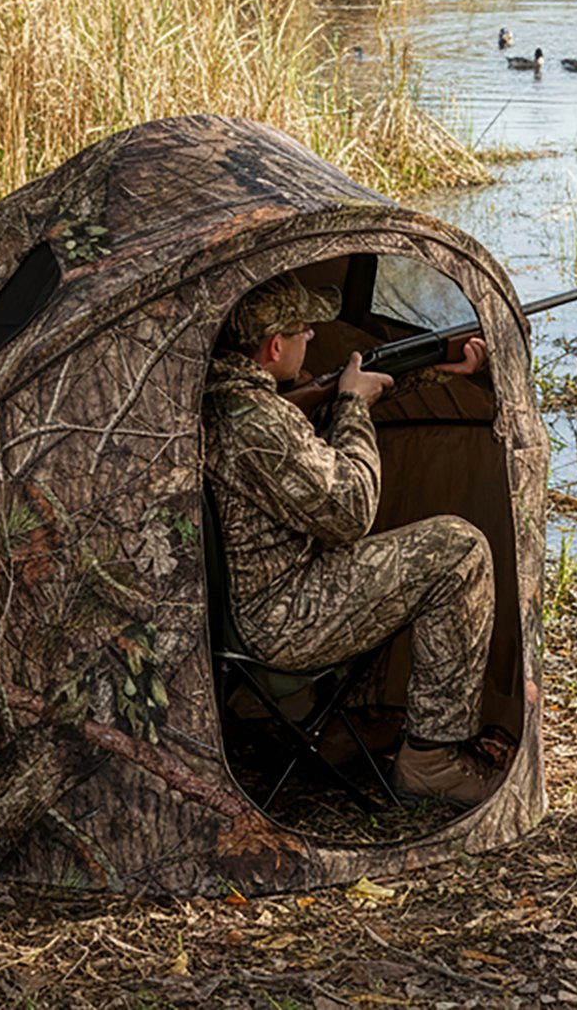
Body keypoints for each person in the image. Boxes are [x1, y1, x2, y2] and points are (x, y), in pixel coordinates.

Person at [204, 273, 505, 808]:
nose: (312, 338)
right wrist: (353, 407)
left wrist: (430, 374)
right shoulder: (257, 422)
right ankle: (431, 761)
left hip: (252, 607)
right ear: (275, 347)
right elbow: (351, 511)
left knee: (396, 562)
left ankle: (354, 723)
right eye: (303, 331)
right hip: (282, 620)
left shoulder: (220, 399)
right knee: (457, 550)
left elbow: (303, 433)